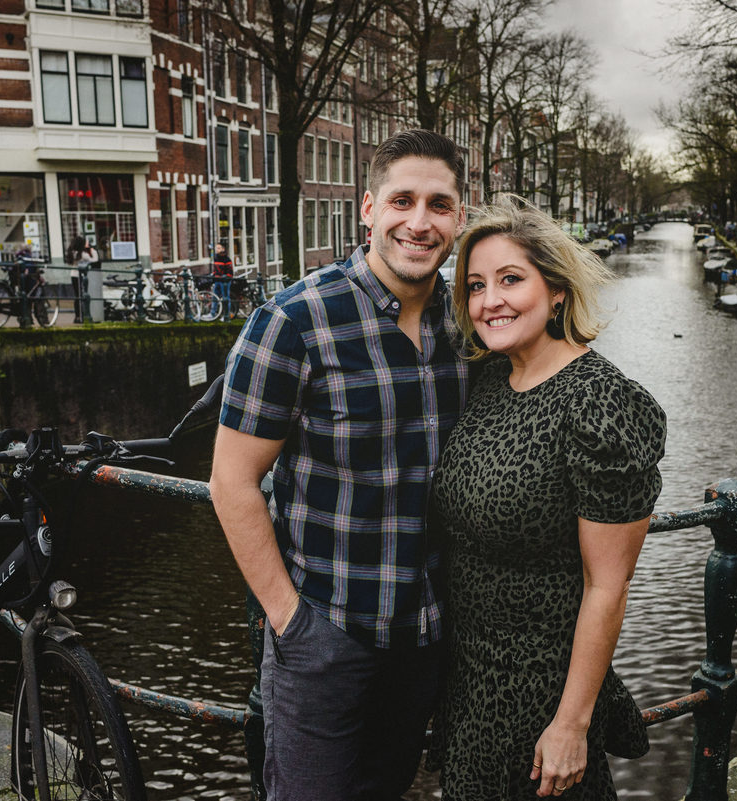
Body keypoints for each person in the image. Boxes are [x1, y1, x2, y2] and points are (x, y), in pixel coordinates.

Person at [210, 128, 468, 801]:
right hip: (327, 633)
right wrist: (291, 620)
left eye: (439, 205)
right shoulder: (293, 322)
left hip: (424, 636)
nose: (419, 222)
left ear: (459, 218)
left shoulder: (470, 325)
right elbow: (232, 481)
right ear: (368, 208)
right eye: (402, 201)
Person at [431, 196, 666, 800]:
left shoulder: (601, 405)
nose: (491, 301)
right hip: (469, 685)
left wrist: (571, 724)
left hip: (541, 695)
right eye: (477, 285)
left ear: (557, 290)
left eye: (512, 279)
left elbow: (607, 585)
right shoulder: (489, 382)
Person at [211, 242, 234, 317]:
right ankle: (212, 313)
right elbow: (215, 269)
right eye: (216, 248)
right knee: (214, 297)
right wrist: (214, 275)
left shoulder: (227, 259)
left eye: (218, 248)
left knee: (225, 298)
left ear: (223, 249)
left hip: (224, 282)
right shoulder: (216, 258)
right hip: (217, 281)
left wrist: (226, 278)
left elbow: (230, 272)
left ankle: (226, 315)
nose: (216, 250)